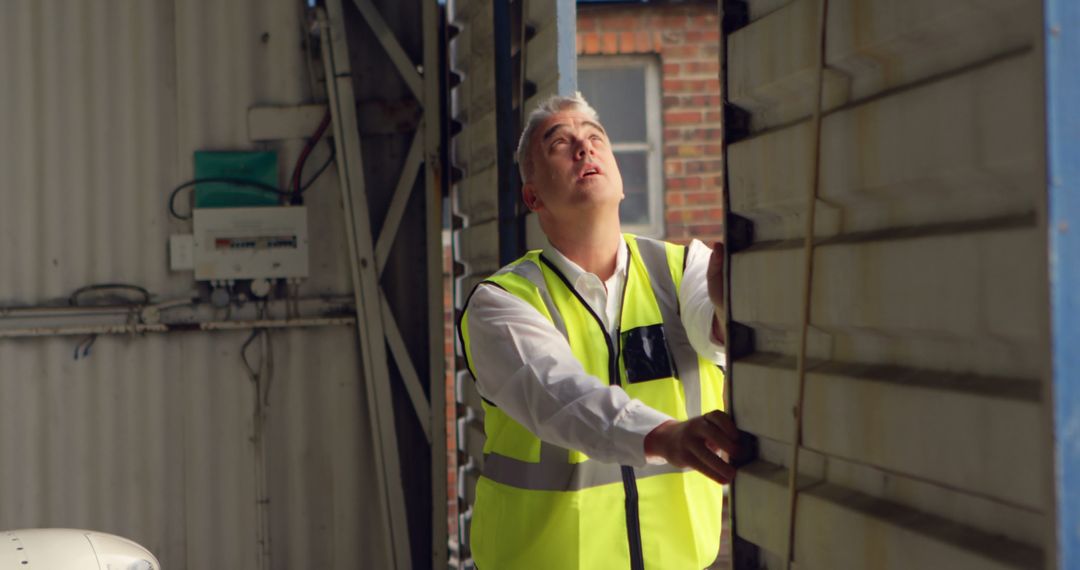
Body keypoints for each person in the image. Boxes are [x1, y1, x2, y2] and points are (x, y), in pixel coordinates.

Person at [458, 92, 740, 570]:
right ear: (533, 197)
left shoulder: (684, 269)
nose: (584, 149)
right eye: (560, 143)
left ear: (621, 179)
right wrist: (664, 436)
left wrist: (729, 306)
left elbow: (714, 329)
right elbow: (559, 394)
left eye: (595, 139)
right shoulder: (502, 303)